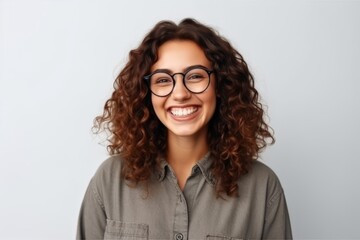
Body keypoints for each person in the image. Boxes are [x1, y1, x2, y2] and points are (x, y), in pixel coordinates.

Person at [77, 18, 292, 240]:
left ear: (220, 85)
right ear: (146, 93)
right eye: (163, 80)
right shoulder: (110, 180)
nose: (180, 94)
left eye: (196, 76)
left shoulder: (263, 187)